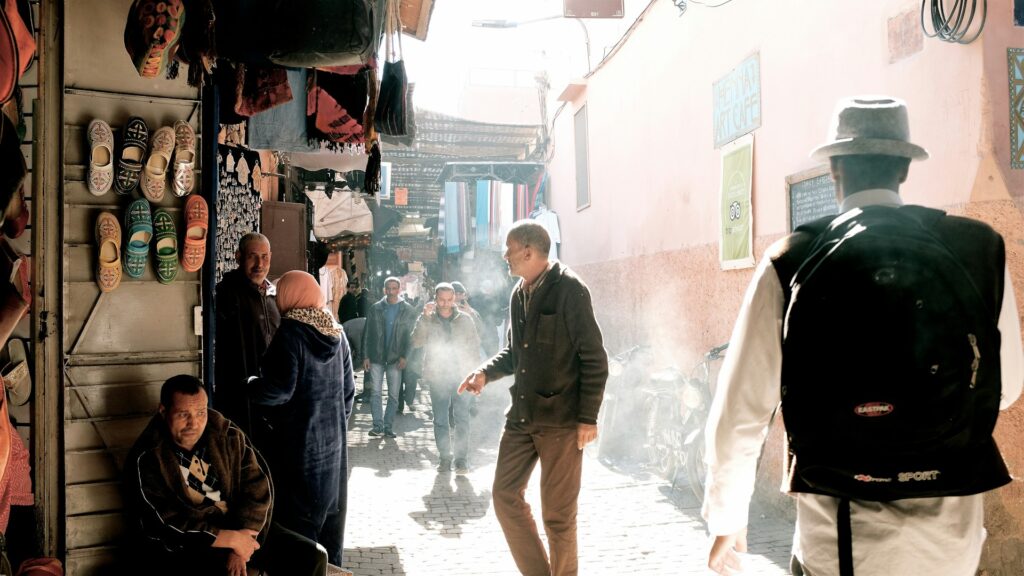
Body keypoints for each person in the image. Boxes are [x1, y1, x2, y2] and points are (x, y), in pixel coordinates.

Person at [703, 96, 1024, 576]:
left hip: (839, 535)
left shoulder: (791, 259)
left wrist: (726, 517)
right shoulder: (977, 249)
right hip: (949, 537)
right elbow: (1006, 387)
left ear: (834, 169)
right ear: (904, 168)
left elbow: (741, 412)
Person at [459, 220, 608, 576]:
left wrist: (588, 418)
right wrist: (484, 373)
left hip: (561, 422)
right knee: (504, 496)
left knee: (558, 517)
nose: (504, 256)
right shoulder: (518, 293)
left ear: (528, 251)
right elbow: (515, 352)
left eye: (508, 249)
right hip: (521, 416)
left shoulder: (570, 289)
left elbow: (595, 359)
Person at [123, 375, 328, 576]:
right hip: (191, 546)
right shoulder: (148, 457)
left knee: (312, 556)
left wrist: (241, 543)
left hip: (242, 527)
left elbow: (257, 488)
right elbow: (164, 523)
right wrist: (229, 539)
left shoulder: (227, 434)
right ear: (163, 411)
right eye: (183, 414)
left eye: (201, 413)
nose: (194, 423)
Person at [247, 271, 355, 568]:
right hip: (333, 455)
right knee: (330, 534)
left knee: (299, 540)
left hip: (298, 452)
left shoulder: (291, 333)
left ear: (289, 296)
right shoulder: (337, 333)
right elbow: (349, 393)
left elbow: (278, 391)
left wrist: (251, 385)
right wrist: (333, 426)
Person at [411, 283, 481, 474]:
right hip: (438, 376)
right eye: (441, 300)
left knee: (462, 419)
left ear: (454, 298)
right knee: (440, 419)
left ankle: (461, 460)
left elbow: (475, 347)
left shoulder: (465, 319)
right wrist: (424, 317)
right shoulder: (428, 318)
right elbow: (416, 341)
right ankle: (444, 458)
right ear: (435, 298)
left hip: (462, 376)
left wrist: (475, 375)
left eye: (449, 299)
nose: (445, 304)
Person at [214, 233, 280, 434]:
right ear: (238, 257)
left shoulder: (273, 295)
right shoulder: (226, 293)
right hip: (238, 391)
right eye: (253, 256)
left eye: (264, 257)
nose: (260, 264)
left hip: (271, 390)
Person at [362, 276, 416, 438]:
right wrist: (365, 356)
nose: (391, 291)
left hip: (396, 358)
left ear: (399, 289)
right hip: (376, 357)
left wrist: (405, 356)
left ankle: (388, 426)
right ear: (384, 289)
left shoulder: (408, 310)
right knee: (375, 393)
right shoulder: (375, 308)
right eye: (388, 288)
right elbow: (367, 333)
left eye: (394, 288)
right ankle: (377, 426)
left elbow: (411, 337)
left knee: (393, 395)